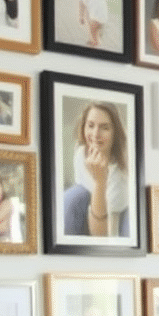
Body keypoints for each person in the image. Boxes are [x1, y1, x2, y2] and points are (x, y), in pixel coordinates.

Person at [63, 101, 130, 238]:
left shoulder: (125, 164)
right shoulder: (80, 154)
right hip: (94, 216)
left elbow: (104, 233)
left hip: (119, 219)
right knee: (71, 197)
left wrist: (100, 181)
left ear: (115, 132)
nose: (95, 134)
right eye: (90, 125)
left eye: (104, 128)